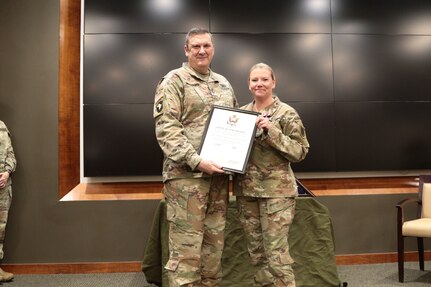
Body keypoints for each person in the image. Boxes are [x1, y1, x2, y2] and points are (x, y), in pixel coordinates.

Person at [153, 28, 238, 286]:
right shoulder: (173, 81)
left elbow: (234, 127)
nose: (202, 51)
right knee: (186, 252)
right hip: (186, 180)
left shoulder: (223, 83)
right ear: (186, 50)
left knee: (213, 250)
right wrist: (196, 159)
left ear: (213, 49)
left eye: (206, 46)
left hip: (218, 179)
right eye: (196, 46)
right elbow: (167, 129)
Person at [233, 63, 309, 287]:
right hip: (247, 192)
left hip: (277, 194)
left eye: (264, 79)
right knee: (257, 254)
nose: (259, 84)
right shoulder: (241, 115)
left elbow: (300, 151)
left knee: (276, 255)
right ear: (248, 84)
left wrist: (271, 131)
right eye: (255, 80)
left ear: (273, 82)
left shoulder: (286, 113)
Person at [0, 120, 16, 282]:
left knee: (0, 229)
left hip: (3, 189)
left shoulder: (2, 126)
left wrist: (7, 172)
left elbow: (10, 153)